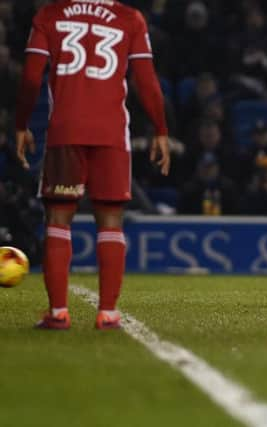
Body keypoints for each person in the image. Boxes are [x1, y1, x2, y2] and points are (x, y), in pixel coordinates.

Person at [15, 0, 170, 329]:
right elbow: (147, 81)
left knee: (58, 217)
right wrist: (160, 129)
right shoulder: (130, 18)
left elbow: (31, 77)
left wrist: (21, 124)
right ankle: (108, 312)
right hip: (111, 132)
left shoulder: (50, 14)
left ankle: (58, 312)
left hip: (65, 130)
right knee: (110, 220)